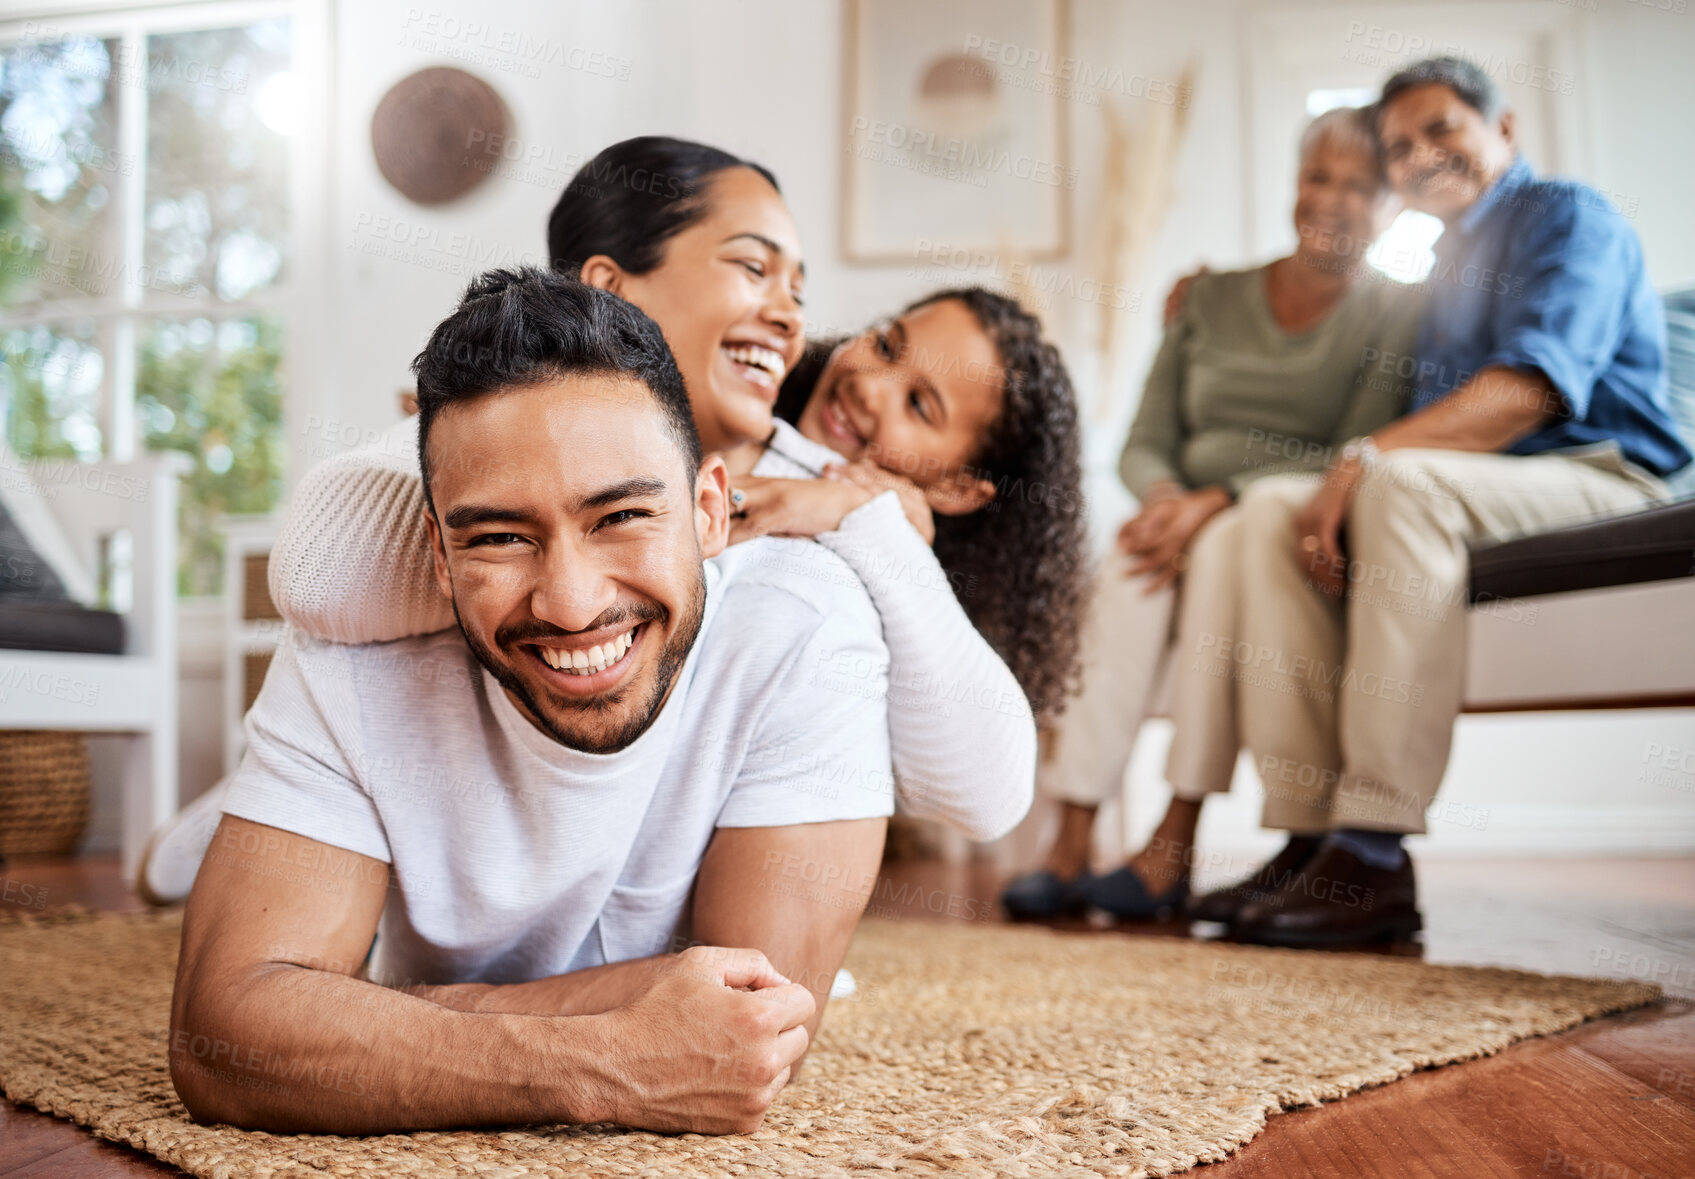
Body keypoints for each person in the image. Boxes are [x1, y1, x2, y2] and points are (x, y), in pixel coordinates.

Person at [171, 269, 895, 1135]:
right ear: (438, 558)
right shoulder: (352, 653)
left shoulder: (808, 627)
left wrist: (372, 1010)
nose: (570, 603)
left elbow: (751, 1024)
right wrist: (607, 1060)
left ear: (709, 511)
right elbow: (222, 1039)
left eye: (621, 515)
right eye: (501, 538)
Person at [267, 138, 1084, 835]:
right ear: (610, 289)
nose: (792, 320)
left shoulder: (824, 493)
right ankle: (284, 802)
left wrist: (866, 521)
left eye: (797, 291)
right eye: (753, 270)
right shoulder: (503, 415)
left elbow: (986, 795)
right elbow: (316, 578)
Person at [1196, 57, 1691, 946]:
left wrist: (1360, 462)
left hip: (1604, 471)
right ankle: (1307, 831)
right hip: (1490, 487)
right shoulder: (1434, 270)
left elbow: (1527, 395)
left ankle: (1373, 849)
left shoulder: (1569, 218)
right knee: (1271, 506)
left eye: (1441, 128)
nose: (1421, 154)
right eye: (1399, 146)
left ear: (1502, 129)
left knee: (1396, 481)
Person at [1000, 106, 1424, 921]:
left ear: (1392, 204)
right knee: (1126, 568)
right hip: (1180, 511)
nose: (1331, 201)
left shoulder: (1394, 313)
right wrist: (1164, 500)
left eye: (1360, 187)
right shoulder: (1210, 297)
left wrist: (1215, 499)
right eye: (1317, 177)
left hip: (1267, 514)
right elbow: (1143, 437)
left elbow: (1351, 445)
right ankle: (1069, 833)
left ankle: (1174, 833)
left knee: (1233, 542)